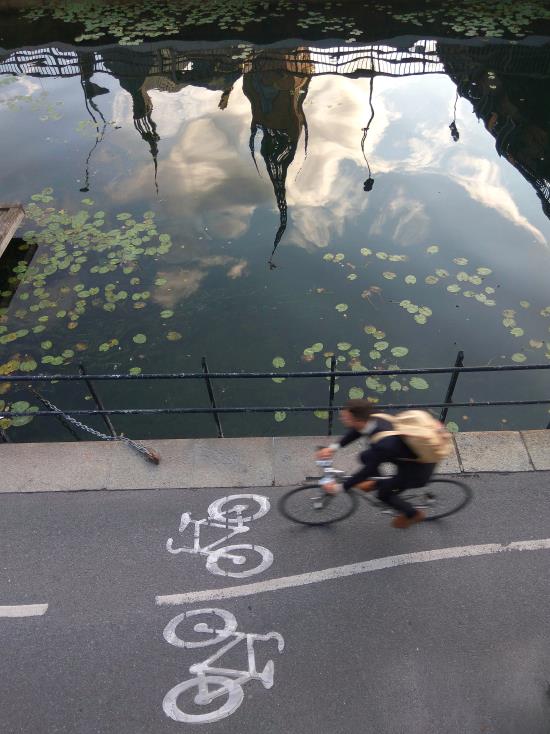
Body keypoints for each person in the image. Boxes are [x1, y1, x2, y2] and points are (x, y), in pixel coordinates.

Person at [317, 399, 436, 529]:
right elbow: (357, 431)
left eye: (345, 417)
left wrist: (339, 488)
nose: (341, 418)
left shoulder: (384, 444)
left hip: (417, 470)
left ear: (357, 420)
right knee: (365, 456)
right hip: (403, 454)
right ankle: (378, 482)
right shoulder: (373, 417)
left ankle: (412, 514)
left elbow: (367, 471)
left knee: (384, 493)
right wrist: (333, 448)